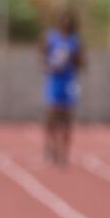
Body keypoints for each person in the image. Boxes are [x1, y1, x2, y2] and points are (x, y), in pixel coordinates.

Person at [42, 10, 84, 165]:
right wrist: (48, 66)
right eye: (63, 22)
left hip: (68, 83)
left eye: (68, 22)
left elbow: (82, 63)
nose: (65, 25)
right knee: (51, 118)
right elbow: (43, 55)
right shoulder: (52, 38)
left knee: (67, 120)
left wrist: (73, 58)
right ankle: (51, 147)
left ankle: (64, 152)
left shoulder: (75, 41)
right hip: (54, 82)